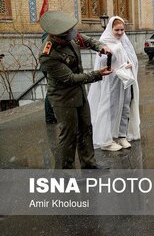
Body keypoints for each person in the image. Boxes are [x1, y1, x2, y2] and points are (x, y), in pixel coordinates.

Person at [38, 11, 112, 169]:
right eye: (68, 34)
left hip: (78, 92)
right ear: (57, 36)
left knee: (86, 128)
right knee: (68, 135)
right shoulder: (48, 54)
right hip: (62, 97)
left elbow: (90, 41)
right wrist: (97, 74)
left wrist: (102, 47)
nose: (73, 34)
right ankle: (66, 173)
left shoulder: (70, 36)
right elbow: (70, 78)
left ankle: (88, 163)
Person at [88, 16, 140, 151]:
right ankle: (107, 139)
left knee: (125, 107)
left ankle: (121, 135)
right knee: (110, 108)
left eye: (122, 30)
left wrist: (129, 65)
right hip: (110, 82)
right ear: (111, 29)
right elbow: (101, 62)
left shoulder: (123, 42)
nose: (120, 33)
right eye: (117, 30)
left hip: (124, 80)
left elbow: (130, 59)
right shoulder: (105, 42)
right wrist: (116, 66)